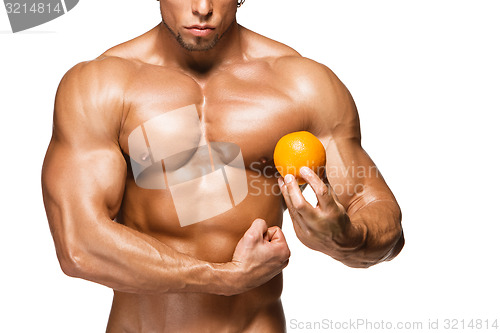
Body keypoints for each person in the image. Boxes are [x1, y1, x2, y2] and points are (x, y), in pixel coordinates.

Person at [41, 0, 404, 331]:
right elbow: (79, 245)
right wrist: (224, 278)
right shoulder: (102, 85)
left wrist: (345, 236)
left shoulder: (303, 86)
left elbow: (383, 224)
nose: (202, 8)